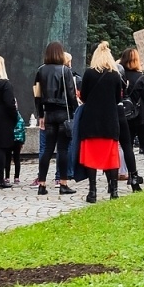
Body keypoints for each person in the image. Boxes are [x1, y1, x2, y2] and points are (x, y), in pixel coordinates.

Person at [77, 42, 125, 201]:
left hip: (91, 120)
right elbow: (118, 98)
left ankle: (92, 192)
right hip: (109, 120)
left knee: (91, 156)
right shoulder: (115, 75)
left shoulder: (89, 74)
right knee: (111, 157)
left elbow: (83, 96)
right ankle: (114, 191)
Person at [33, 41, 77, 195]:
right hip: (64, 113)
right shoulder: (65, 70)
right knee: (63, 150)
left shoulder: (40, 71)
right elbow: (71, 94)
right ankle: (63, 183)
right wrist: (75, 112)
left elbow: (37, 95)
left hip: (49, 113)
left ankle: (42, 184)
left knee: (47, 150)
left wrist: (40, 114)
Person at [118, 48, 144, 188]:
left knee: (128, 146)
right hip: (142, 116)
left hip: (125, 116)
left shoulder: (120, 76)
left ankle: (132, 174)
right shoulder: (140, 77)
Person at [0, 55, 21, 189]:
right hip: (3, 117)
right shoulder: (5, 83)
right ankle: (0, 179)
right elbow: (9, 103)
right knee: (1, 148)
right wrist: (14, 117)